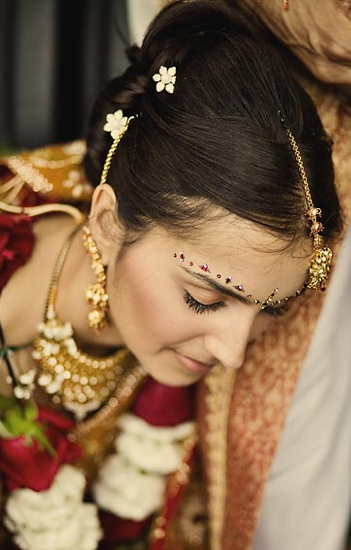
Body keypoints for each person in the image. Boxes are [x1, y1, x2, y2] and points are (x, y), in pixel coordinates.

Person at [0, 1, 347, 550]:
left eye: (270, 308)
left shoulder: (166, 361)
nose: (233, 354)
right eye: (206, 297)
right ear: (109, 221)